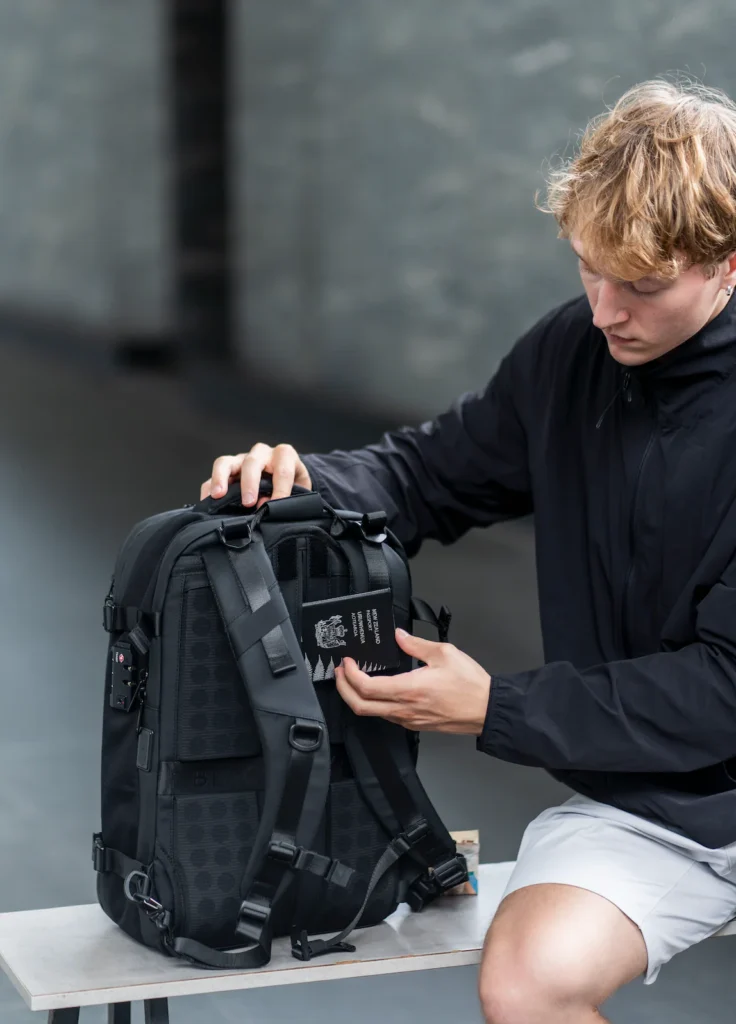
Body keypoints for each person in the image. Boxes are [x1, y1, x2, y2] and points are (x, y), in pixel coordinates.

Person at [200, 78, 736, 1023]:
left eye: (643, 285)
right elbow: (426, 475)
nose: (607, 310)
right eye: (588, 269)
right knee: (523, 987)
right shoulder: (576, 352)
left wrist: (496, 706)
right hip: (657, 806)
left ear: (727, 265)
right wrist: (302, 479)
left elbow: (726, 693)